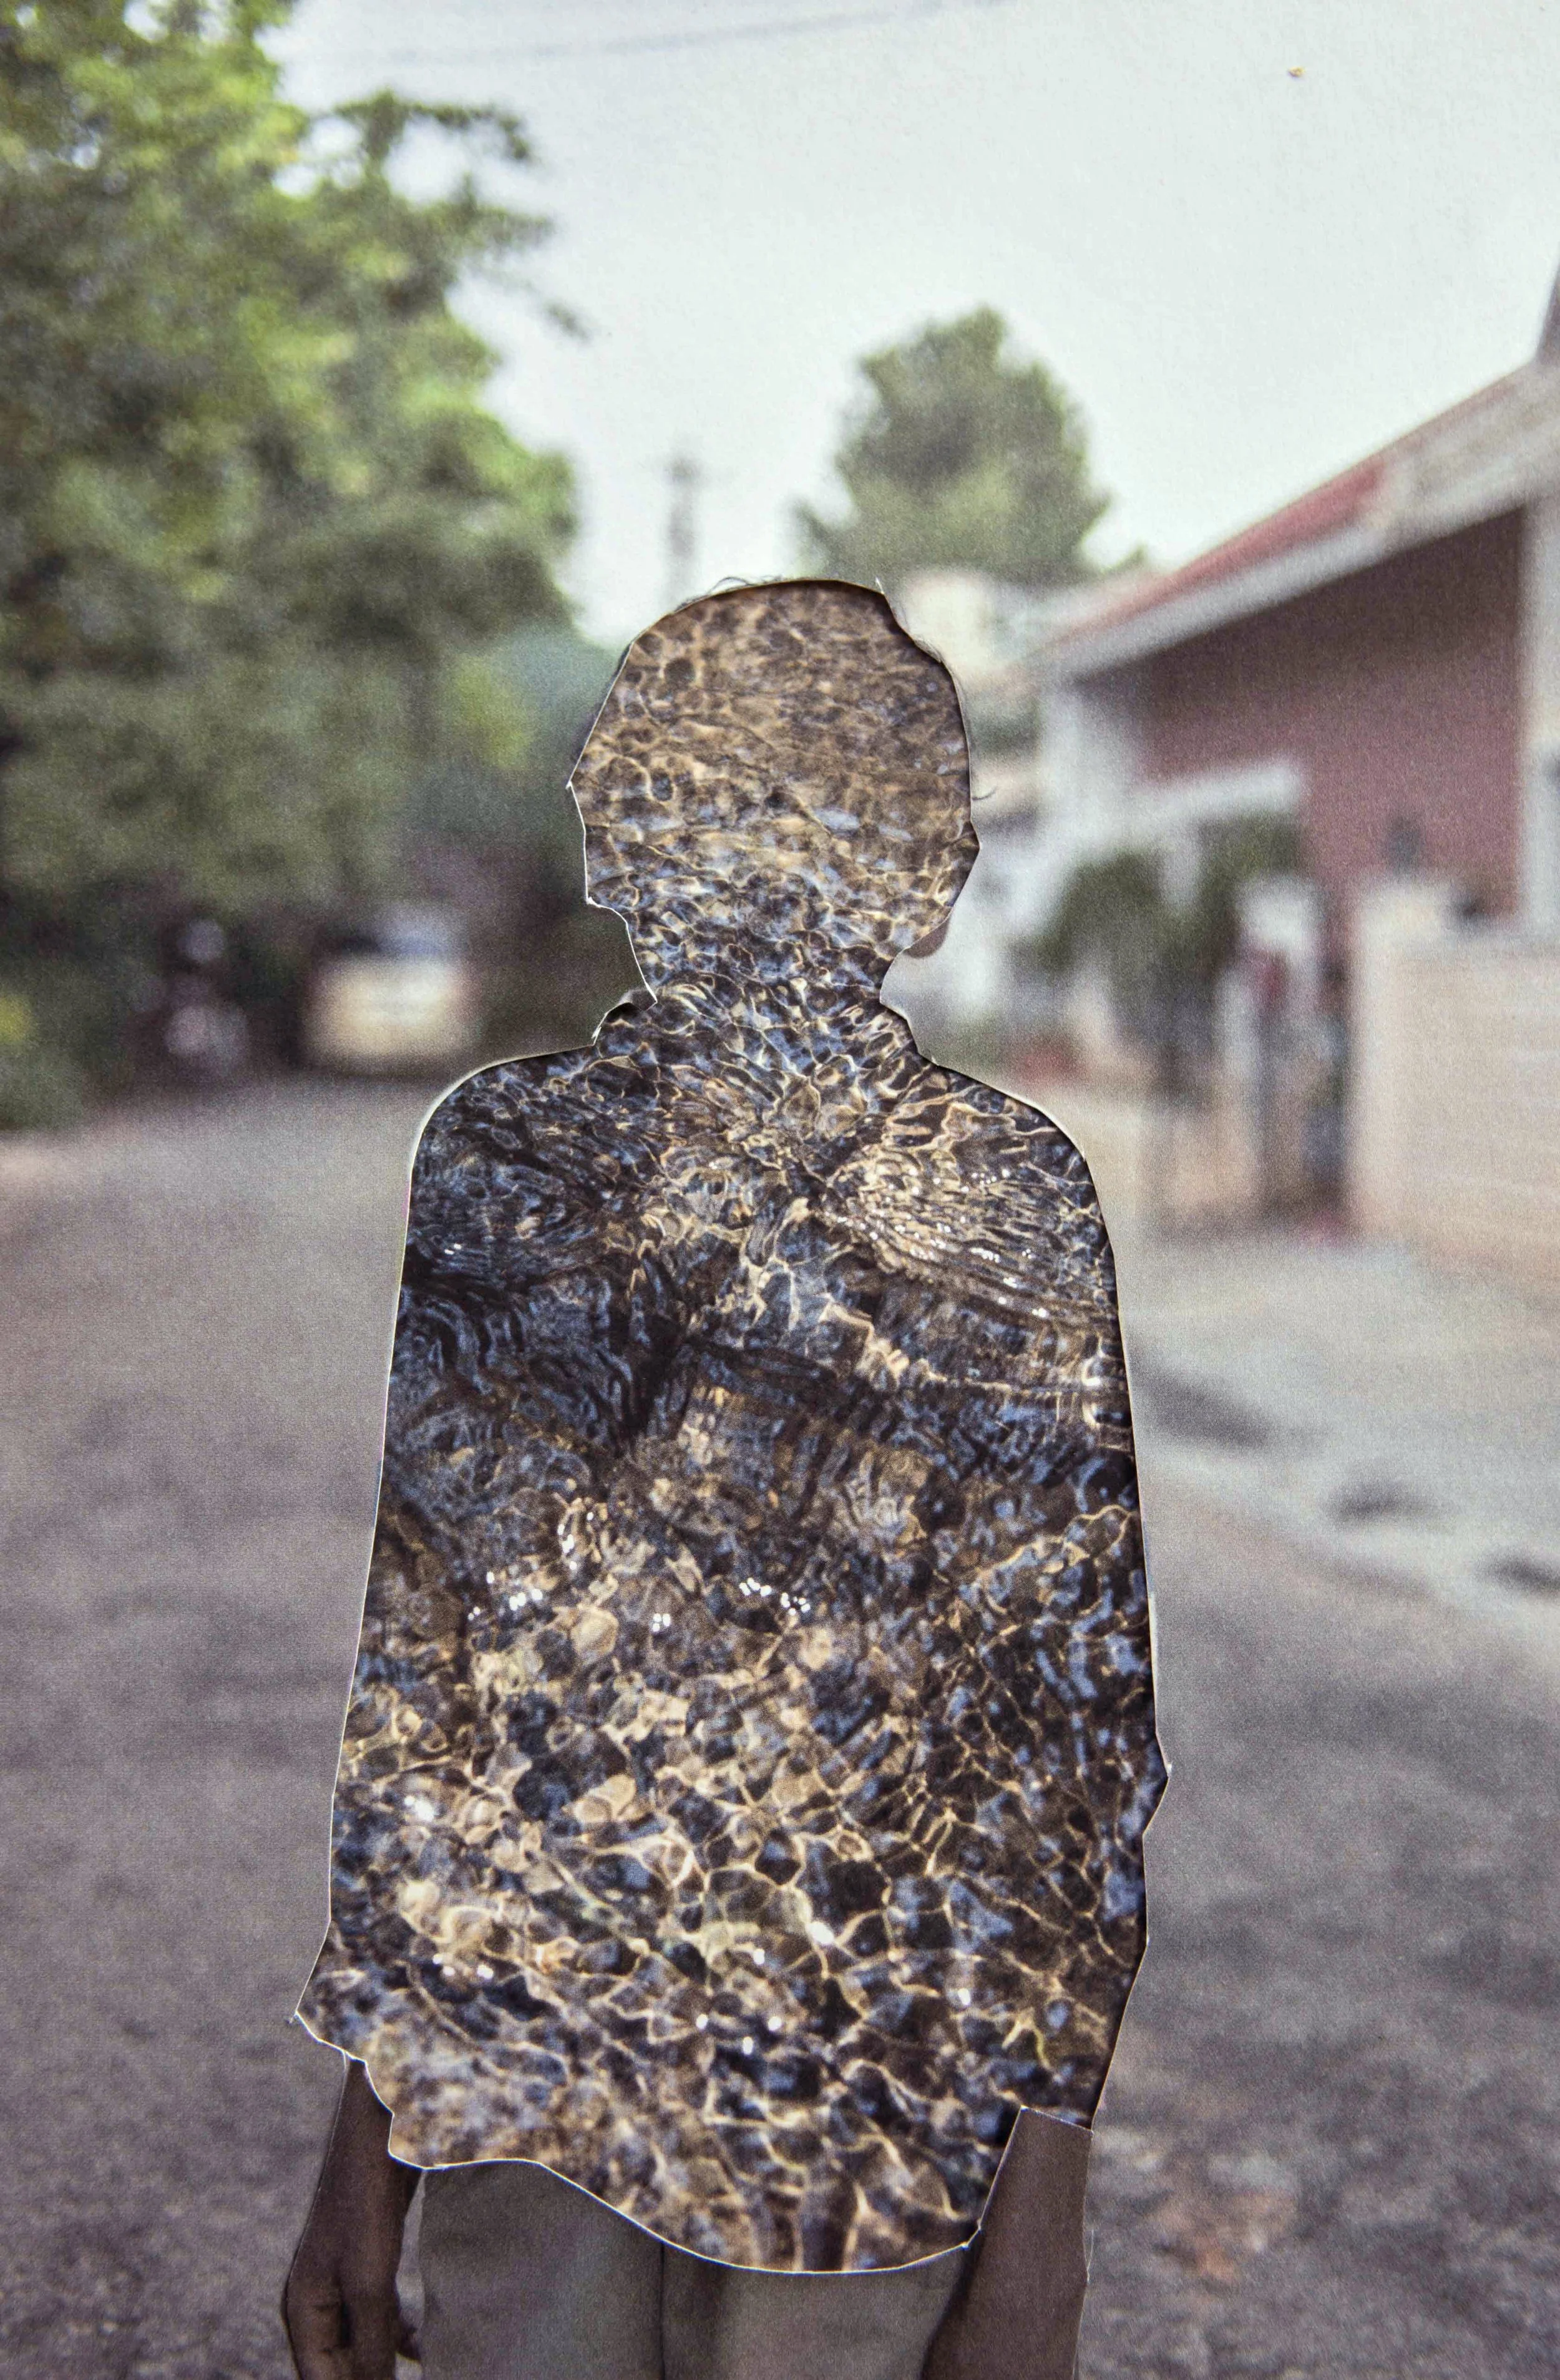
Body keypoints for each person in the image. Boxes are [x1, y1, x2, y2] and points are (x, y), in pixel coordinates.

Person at [285, 581, 1163, 2379]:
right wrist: (363, 2160)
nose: (740, 881)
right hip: (553, 2098)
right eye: (699, 815)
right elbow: (438, 1717)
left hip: (857, 2141)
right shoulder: (500, 1171)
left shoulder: (1004, 1206)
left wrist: (1037, 2248)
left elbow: (1062, 1769)